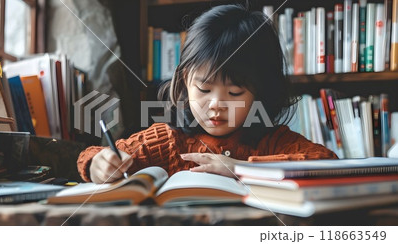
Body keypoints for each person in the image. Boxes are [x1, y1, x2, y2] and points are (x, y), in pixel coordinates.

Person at [77, 4, 338, 183]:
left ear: (260, 94)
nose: (215, 105)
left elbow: (326, 162)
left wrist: (242, 168)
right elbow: (92, 156)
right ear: (184, 81)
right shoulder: (167, 140)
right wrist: (98, 165)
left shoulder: (272, 141)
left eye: (234, 93)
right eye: (203, 89)